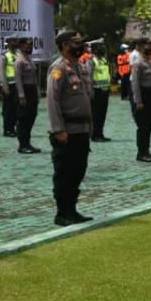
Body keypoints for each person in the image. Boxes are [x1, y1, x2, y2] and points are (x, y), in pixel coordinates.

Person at [46, 29, 94, 226]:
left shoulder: (80, 67)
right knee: (64, 173)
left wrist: (90, 127)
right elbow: (52, 100)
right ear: (65, 45)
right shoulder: (58, 68)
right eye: (76, 44)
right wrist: (58, 129)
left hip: (81, 129)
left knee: (78, 171)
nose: (80, 47)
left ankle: (72, 209)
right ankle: (62, 213)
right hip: (67, 130)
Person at [130, 39, 151, 163]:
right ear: (141, 48)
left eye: (150, 47)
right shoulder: (138, 63)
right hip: (142, 96)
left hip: (150, 96)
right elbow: (135, 84)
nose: (149, 49)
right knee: (143, 125)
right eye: (146, 47)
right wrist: (138, 101)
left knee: (149, 124)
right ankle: (141, 153)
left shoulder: (149, 62)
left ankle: (146, 150)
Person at [14, 36, 42, 154]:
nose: (29, 47)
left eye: (30, 45)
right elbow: (18, 79)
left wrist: (37, 93)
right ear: (21, 46)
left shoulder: (30, 60)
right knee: (24, 119)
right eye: (26, 45)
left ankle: (28, 143)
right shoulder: (19, 61)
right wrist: (21, 96)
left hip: (32, 91)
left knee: (31, 116)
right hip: (24, 91)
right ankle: (22, 145)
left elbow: (35, 79)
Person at [88, 39, 111, 143]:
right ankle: (94, 134)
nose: (101, 49)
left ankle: (100, 133)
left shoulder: (103, 60)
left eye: (102, 47)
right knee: (95, 114)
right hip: (96, 91)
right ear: (93, 49)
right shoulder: (92, 61)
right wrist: (90, 91)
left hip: (104, 90)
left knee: (102, 113)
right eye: (98, 47)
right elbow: (89, 77)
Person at [0, 36, 19, 138]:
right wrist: (5, 87)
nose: (15, 44)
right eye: (13, 42)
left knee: (16, 108)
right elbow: (2, 72)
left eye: (16, 42)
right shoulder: (4, 56)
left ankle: (13, 127)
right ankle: (7, 129)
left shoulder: (18, 55)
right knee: (8, 109)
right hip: (9, 86)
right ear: (8, 43)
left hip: (17, 86)